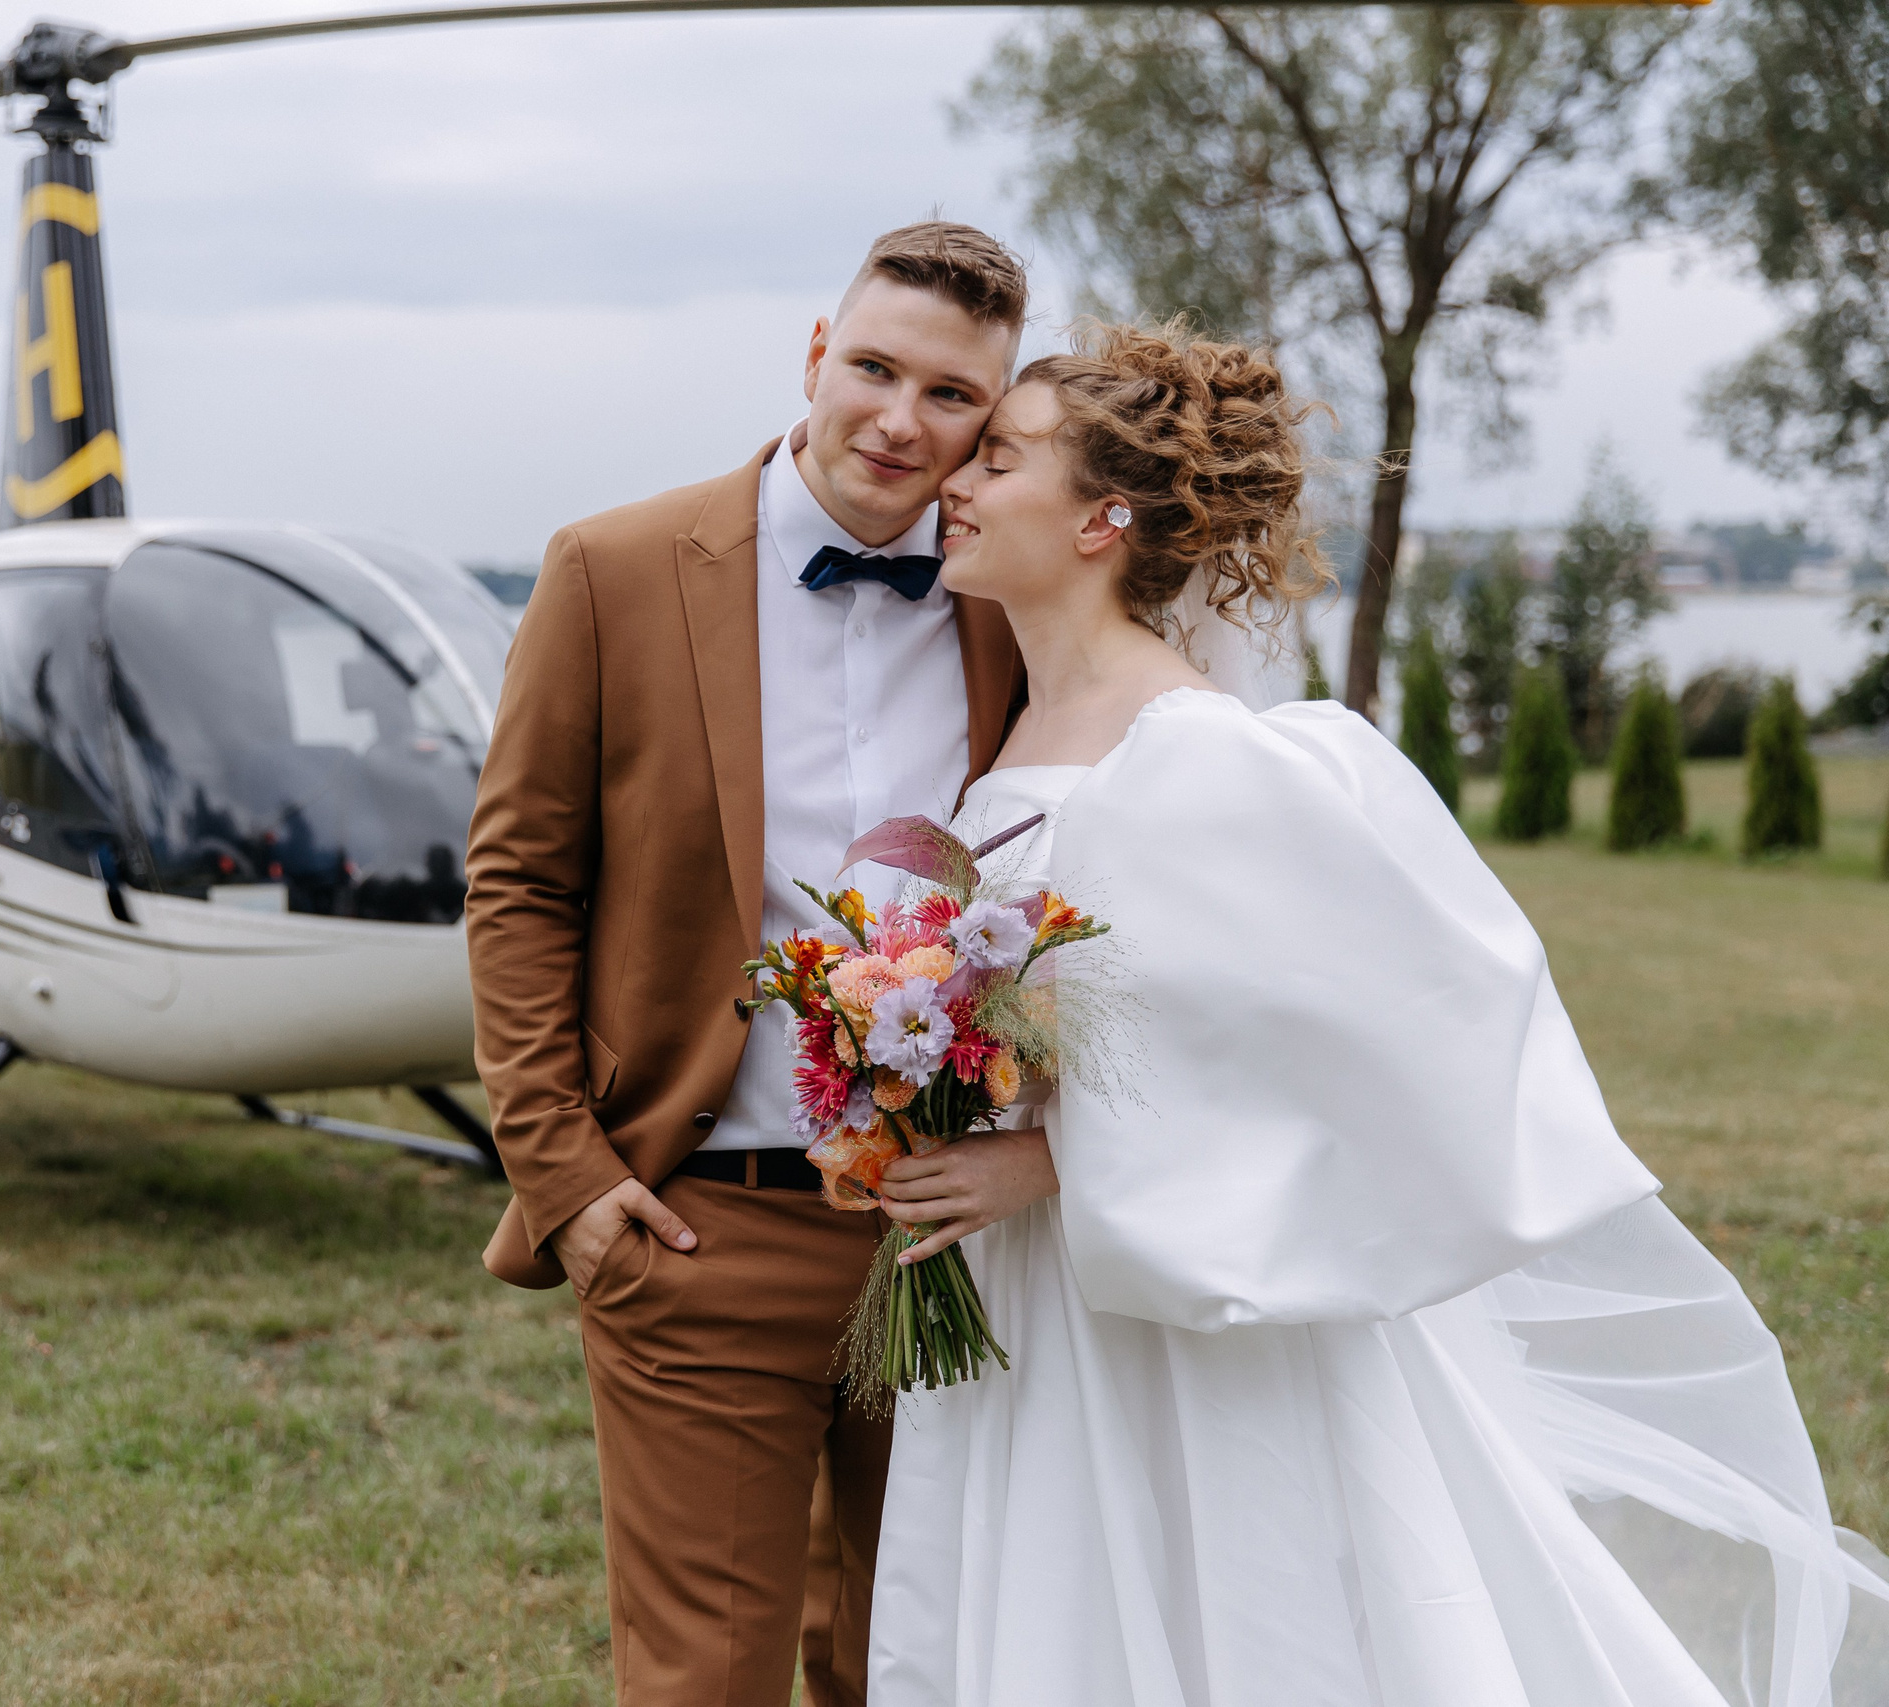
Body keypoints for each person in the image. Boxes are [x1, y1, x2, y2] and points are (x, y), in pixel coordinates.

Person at [864, 321, 1889, 1705]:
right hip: (1031, 1291)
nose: (958, 481)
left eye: (1000, 458)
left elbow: (1307, 1050)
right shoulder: (1019, 737)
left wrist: (1044, 1162)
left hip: (1174, 1305)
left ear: (1103, 518)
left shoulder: (1199, 751)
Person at [464, 221, 1032, 1705]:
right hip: (696, 1228)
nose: (900, 421)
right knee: (703, 1682)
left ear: (993, 419)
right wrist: (568, 1182)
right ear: (816, 355)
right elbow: (518, 885)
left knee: (917, 1671)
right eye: (876, 369)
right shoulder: (612, 569)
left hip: (956, 1245)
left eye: (952, 396)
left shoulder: (1015, 601)